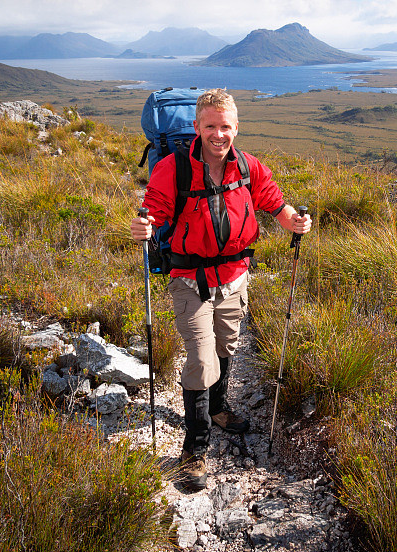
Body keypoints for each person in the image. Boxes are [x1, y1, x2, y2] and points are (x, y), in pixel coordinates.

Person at [130, 89, 311, 490]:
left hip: (234, 276)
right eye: (210, 126)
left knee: (226, 344)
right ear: (196, 127)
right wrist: (143, 226)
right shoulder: (174, 168)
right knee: (199, 357)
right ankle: (194, 449)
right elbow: (155, 208)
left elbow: (272, 202)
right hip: (189, 280)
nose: (218, 134)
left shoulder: (248, 166)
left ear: (236, 128)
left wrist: (294, 221)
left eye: (225, 126)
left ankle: (218, 408)